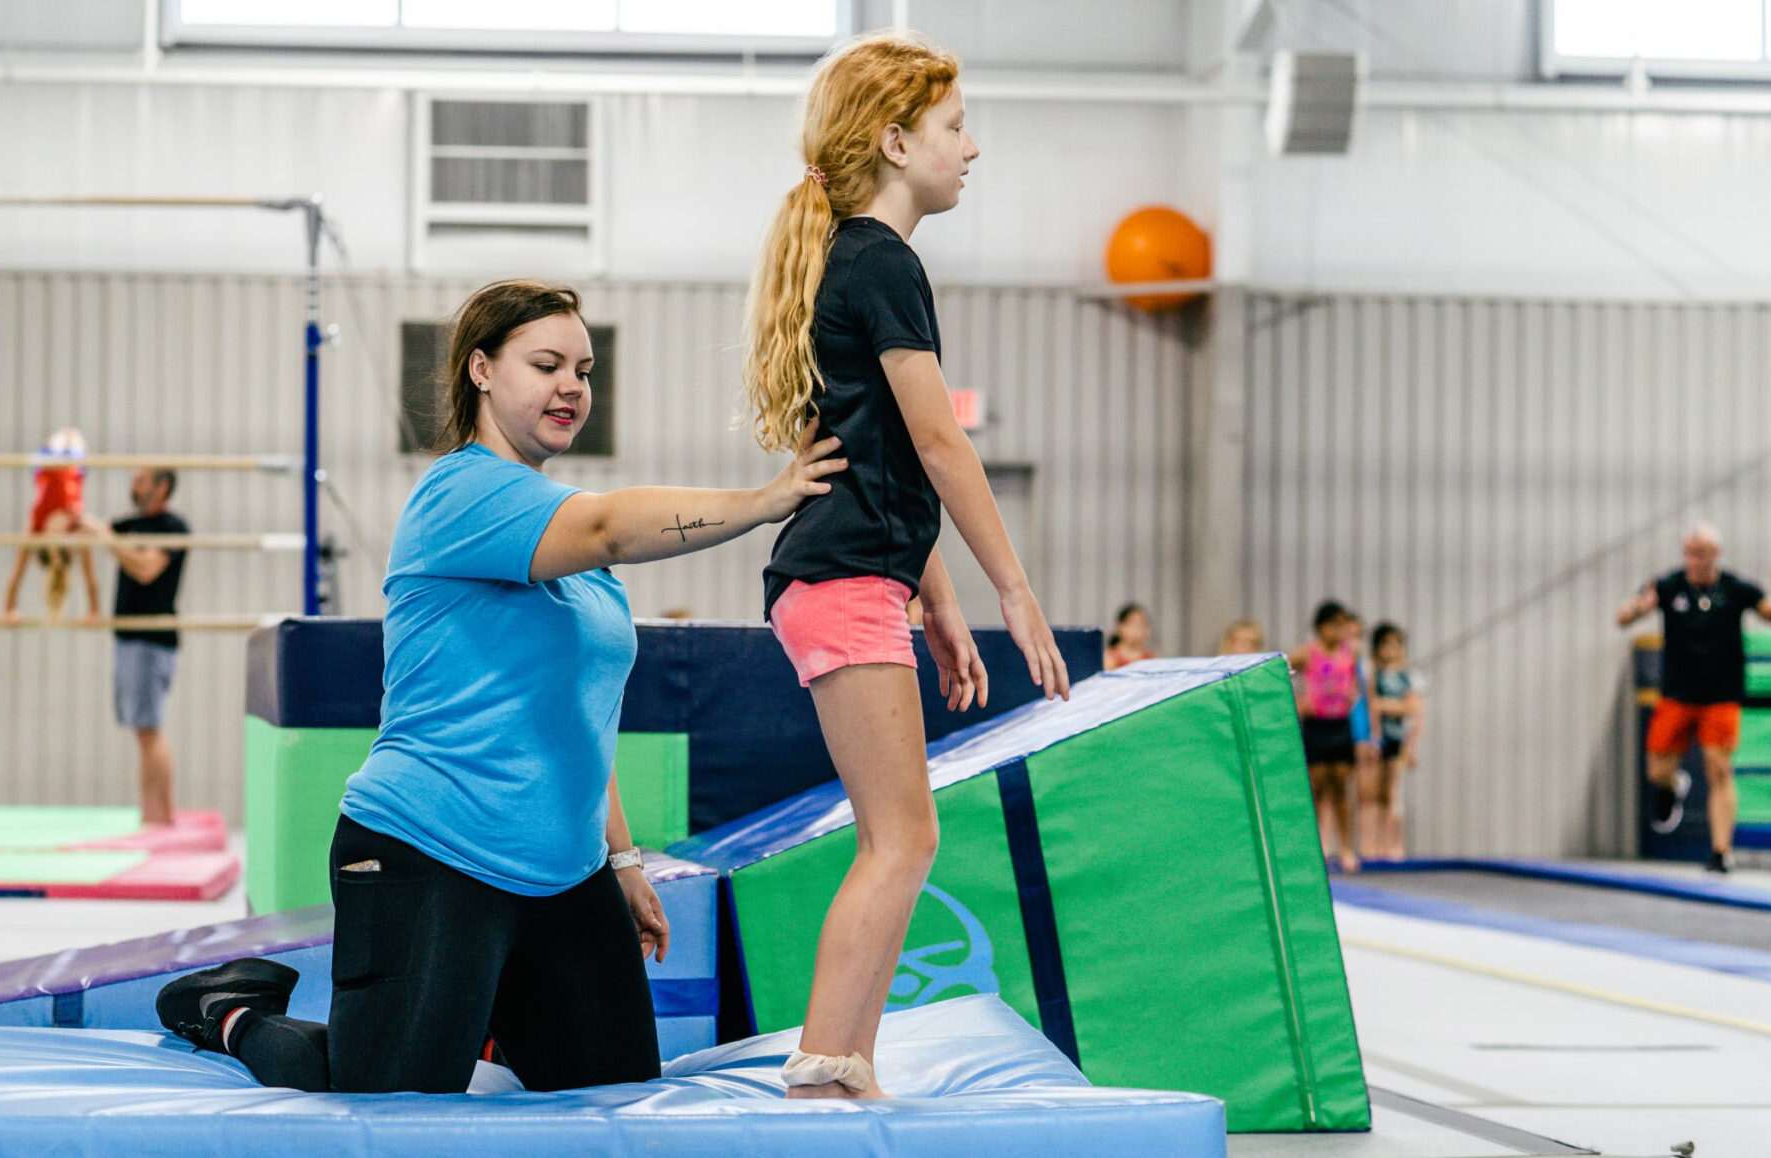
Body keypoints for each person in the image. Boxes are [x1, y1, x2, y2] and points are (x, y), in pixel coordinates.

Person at [154, 280, 844, 1094]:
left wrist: (622, 859)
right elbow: (610, 525)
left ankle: (476, 1020)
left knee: (613, 1099)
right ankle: (232, 1010)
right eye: (546, 365)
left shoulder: (577, 556)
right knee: (387, 1103)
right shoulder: (460, 494)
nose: (571, 387)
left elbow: (582, 718)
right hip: (431, 854)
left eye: (583, 371)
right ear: (481, 370)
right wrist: (765, 501)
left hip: (565, 878)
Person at [742, 32, 1068, 1101]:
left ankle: (844, 1065)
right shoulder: (881, 260)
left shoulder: (851, 256)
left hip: (850, 577)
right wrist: (1013, 590)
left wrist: (937, 600)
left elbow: (878, 457)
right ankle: (827, 1069)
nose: (971, 148)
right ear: (892, 141)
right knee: (899, 840)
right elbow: (936, 441)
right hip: (839, 581)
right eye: (954, 127)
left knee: (899, 838)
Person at [1617, 523, 1771, 874]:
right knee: (1657, 771)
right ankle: (1674, 785)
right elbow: (1622, 617)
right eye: (1689, 553)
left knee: (1719, 770)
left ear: (1715, 555)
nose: (1693, 561)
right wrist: (1640, 607)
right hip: (1677, 694)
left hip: (1721, 695)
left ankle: (1721, 852)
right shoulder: (1668, 586)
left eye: (1700, 554)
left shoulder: (1736, 588)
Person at [106, 466, 189, 827]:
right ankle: (153, 816)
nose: (134, 487)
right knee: (144, 731)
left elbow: (145, 569)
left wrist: (105, 538)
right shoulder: (132, 525)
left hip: (151, 639)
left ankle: (160, 817)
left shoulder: (174, 527)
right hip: (129, 638)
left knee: (150, 729)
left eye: (140, 481)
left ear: (161, 487)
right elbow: (91, 529)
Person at [1290, 601, 1363, 873]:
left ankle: (1345, 847)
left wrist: (1353, 694)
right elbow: (1281, 673)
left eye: (1343, 625)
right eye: (1335, 625)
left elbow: (1359, 682)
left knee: (1341, 788)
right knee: (1317, 788)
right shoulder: (1307, 653)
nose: (1340, 631)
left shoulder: (1351, 651)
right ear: (1321, 627)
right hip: (1316, 725)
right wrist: (1298, 703)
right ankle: (1318, 845)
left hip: (1340, 724)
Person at [2, 427, 102, 622]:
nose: (58, 532)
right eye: (62, 542)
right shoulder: (77, 523)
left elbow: (15, 577)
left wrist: (9, 609)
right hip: (74, 464)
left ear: (45, 542)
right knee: (72, 438)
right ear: (68, 543)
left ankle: (61, 447)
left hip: (45, 464)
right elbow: (91, 578)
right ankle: (66, 445)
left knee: (60, 443)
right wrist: (93, 611)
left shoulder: (36, 526)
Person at [1360, 622, 1423, 863]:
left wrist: (1413, 746)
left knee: (1393, 796)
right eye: (1386, 644)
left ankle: (1393, 845)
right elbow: (1369, 705)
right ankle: (1372, 846)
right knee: (1372, 795)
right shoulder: (1371, 673)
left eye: (1396, 644)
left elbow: (1413, 709)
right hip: (1376, 739)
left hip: (1398, 739)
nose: (1391, 649)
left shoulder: (1408, 676)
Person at [1105, 602, 1156, 670]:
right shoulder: (1109, 659)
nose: (1138, 629)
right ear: (1119, 628)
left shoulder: (1151, 659)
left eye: (1142, 624)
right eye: (1133, 624)